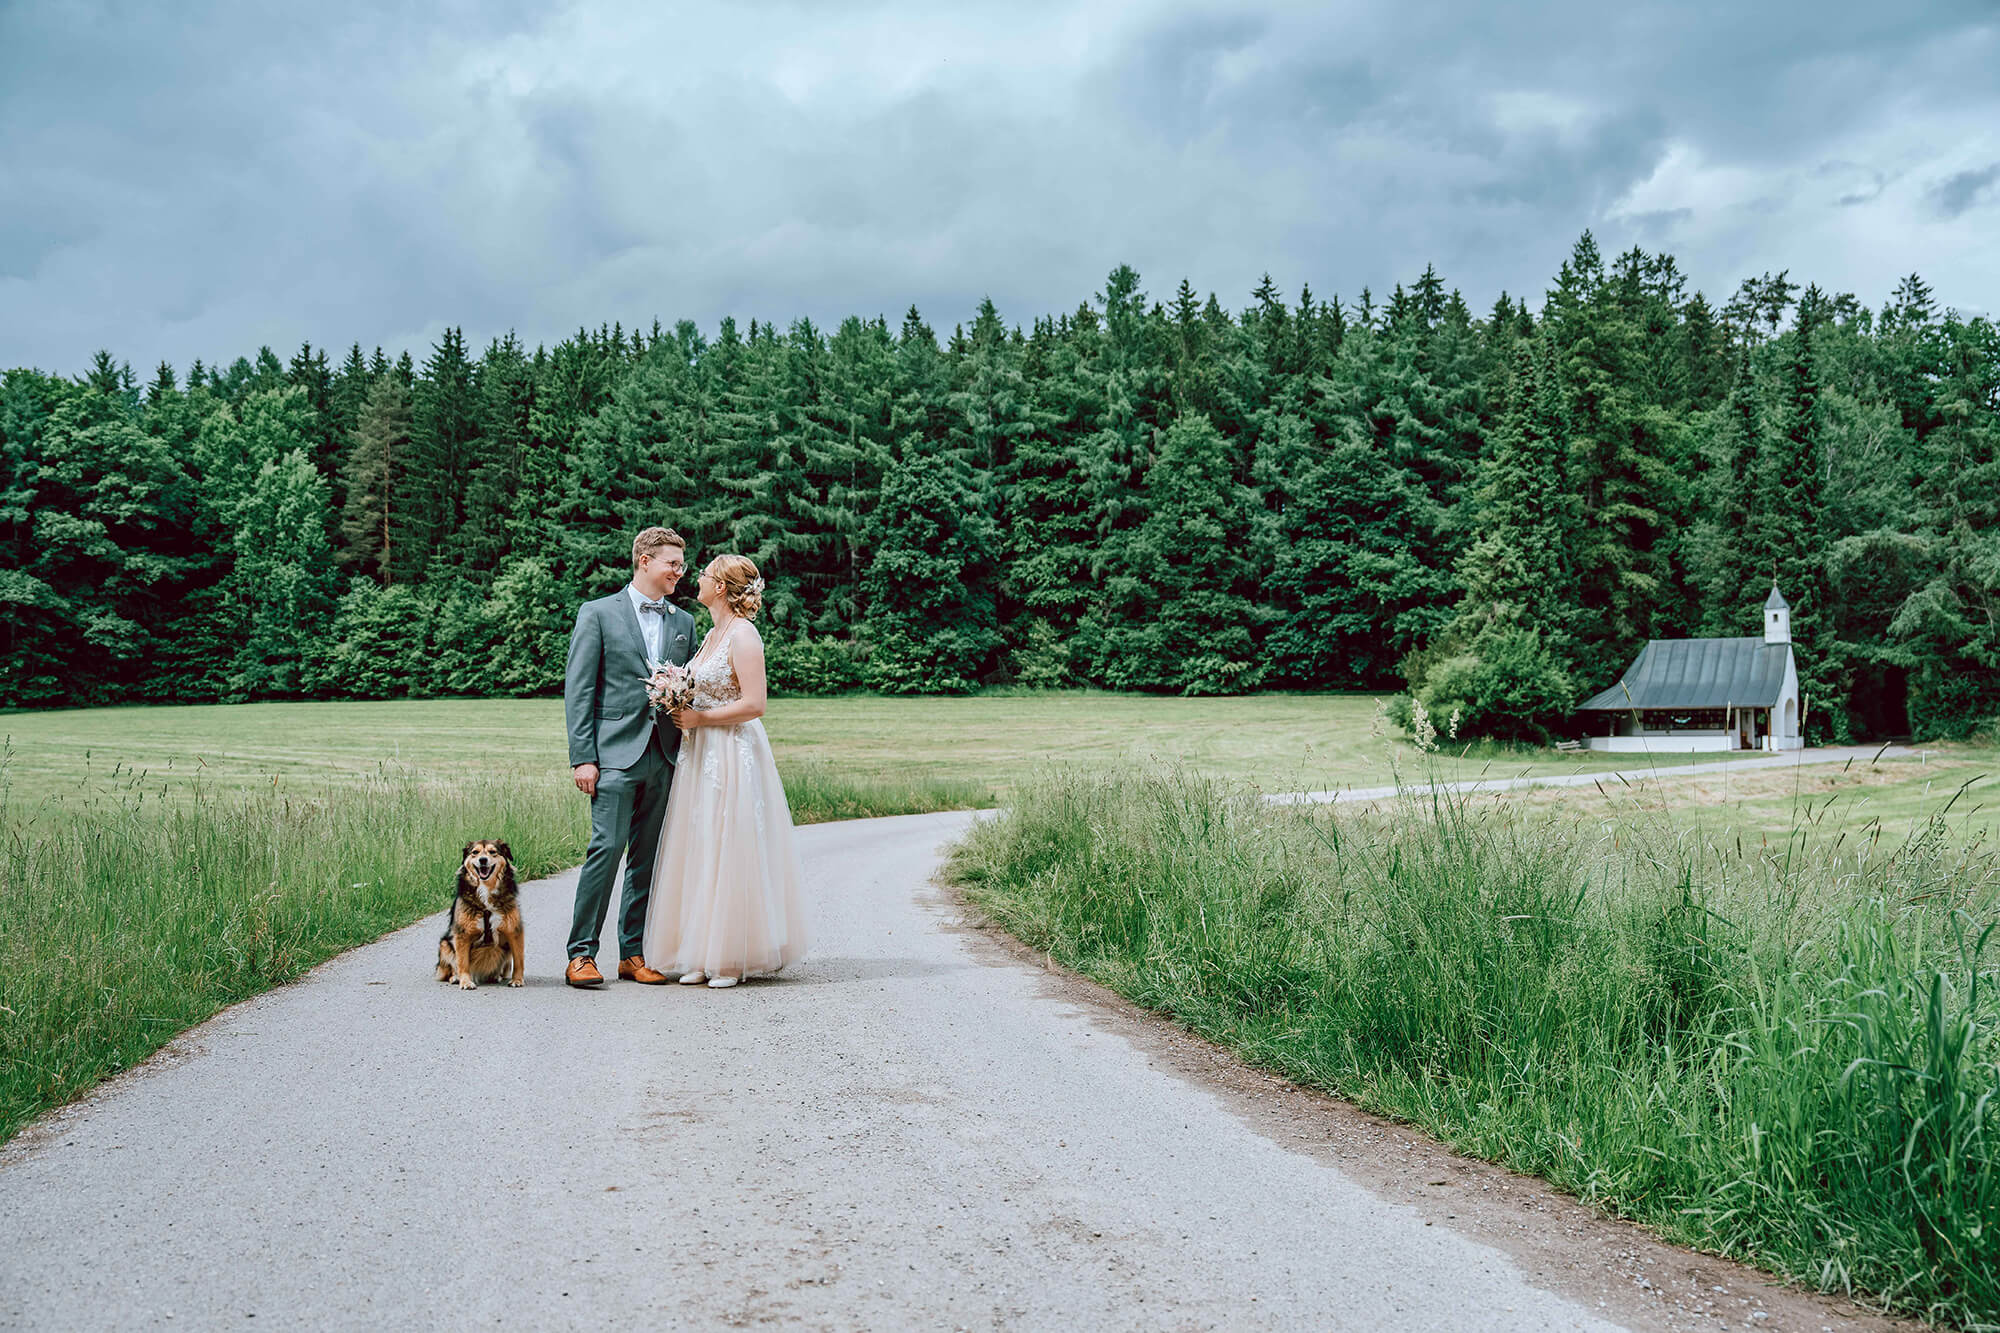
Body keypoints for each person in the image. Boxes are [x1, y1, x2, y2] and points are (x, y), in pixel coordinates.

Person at [643, 554, 809, 988]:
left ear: (721, 587)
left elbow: (755, 704)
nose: (696, 578)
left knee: (730, 844)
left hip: (732, 750)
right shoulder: (711, 634)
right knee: (700, 844)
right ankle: (701, 953)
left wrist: (701, 719)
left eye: (704, 575)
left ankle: (732, 957)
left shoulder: (743, 635)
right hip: (700, 753)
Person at [561, 526, 699, 988]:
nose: (680, 572)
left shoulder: (683, 622)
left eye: (681, 564)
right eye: (673, 564)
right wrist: (584, 757)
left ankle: (632, 953)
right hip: (614, 754)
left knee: (647, 857)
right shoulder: (597, 613)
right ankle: (581, 954)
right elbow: (579, 690)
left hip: (664, 754)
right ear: (645, 561)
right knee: (605, 850)